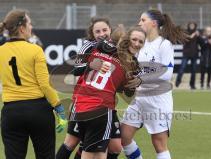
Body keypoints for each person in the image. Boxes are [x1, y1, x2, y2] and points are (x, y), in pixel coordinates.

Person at [56, 17, 145, 159]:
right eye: (97, 31)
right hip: (92, 104)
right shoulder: (93, 46)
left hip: (98, 104)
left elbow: (124, 90)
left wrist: (134, 83)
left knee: (115, 146)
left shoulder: (118, 55)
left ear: (110, 31)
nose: (102, 34)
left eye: (104, 30)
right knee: (75, 143)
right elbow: (77, 70)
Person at [121, 9, 188, 159]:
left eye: (143, 20)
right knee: (123, 136)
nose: (139, 23)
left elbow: (167, 73)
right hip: (139, 99)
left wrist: (141, 79)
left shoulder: (164, 44)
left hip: (158, 101)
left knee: (159, 145)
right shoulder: (141, 44)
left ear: (154, 23)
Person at [0, 9, 67, 159]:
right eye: (30, 23)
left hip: (11, 113)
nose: (32, 27)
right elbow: (44, 84)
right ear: (22, 28)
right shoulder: (35, 50)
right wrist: (58, 107)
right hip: (39, 111)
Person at [175, 22, 200, 89]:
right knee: (182, 68)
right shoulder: (186, 33)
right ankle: (178, 81)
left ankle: (192, 85)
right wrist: (193, 35)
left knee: (194, 70)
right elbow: (187, 39)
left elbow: (201, 42)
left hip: (194, 54)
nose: (192, 26)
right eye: (191, 25)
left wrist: (199, 36)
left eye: (193, 25)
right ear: (188, 26)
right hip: (186, 54)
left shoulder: (197, 34)